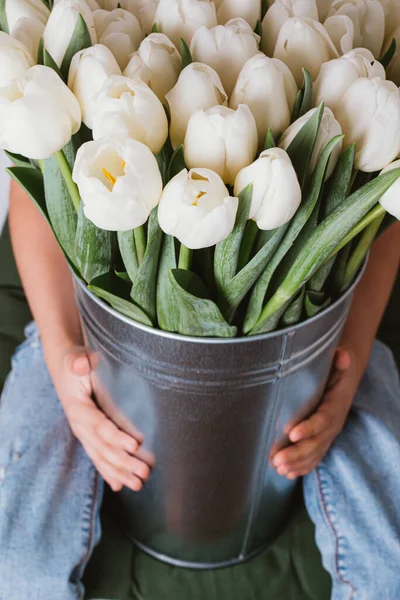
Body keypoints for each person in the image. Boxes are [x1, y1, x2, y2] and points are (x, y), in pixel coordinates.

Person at [0, 179, 400, 600]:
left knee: (389, 574)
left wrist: (348, 357)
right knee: (17, 573)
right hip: (86, 328)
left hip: (320, 328)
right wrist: (62, 350)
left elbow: (384, 209)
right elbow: (33, 186)